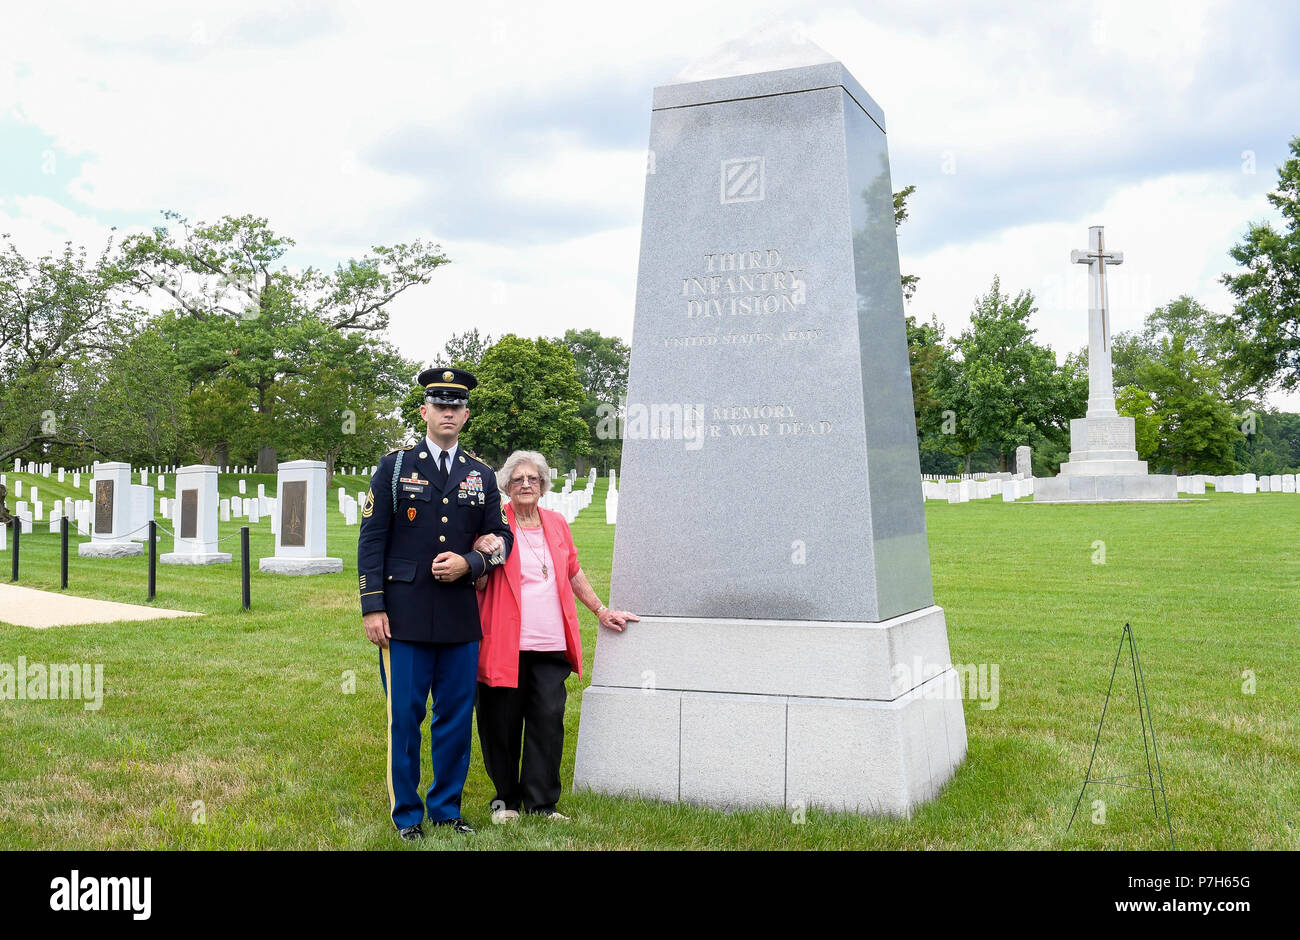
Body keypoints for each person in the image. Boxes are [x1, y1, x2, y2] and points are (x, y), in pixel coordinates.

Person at [357, 367, 513, 841]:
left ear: (465, 415)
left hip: (458, 618)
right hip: (401, 615)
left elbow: (502, 539)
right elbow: (372, 538)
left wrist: (472, 563)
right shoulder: (395, 467)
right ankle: (407, 815)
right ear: (424, 412)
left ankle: (446, 808)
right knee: (404, 716)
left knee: (455, 717)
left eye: (456, 406)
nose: (448, 412)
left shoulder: (481, 475)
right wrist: (372, 606)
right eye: (439, 405)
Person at [472, 450, 638, 822]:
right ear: (507, 487)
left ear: (543, 485)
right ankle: (506, 801)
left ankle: (542, 802)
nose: (526, 484)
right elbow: (478, 580)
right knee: (501, 723)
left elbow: (573, 572)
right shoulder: (496, 525)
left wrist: (600, 609)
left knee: (548, 719)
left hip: (550, 644)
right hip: (504, 644)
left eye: (533, 479)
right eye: (518, 480)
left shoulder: (557, 524)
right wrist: (479, 555)